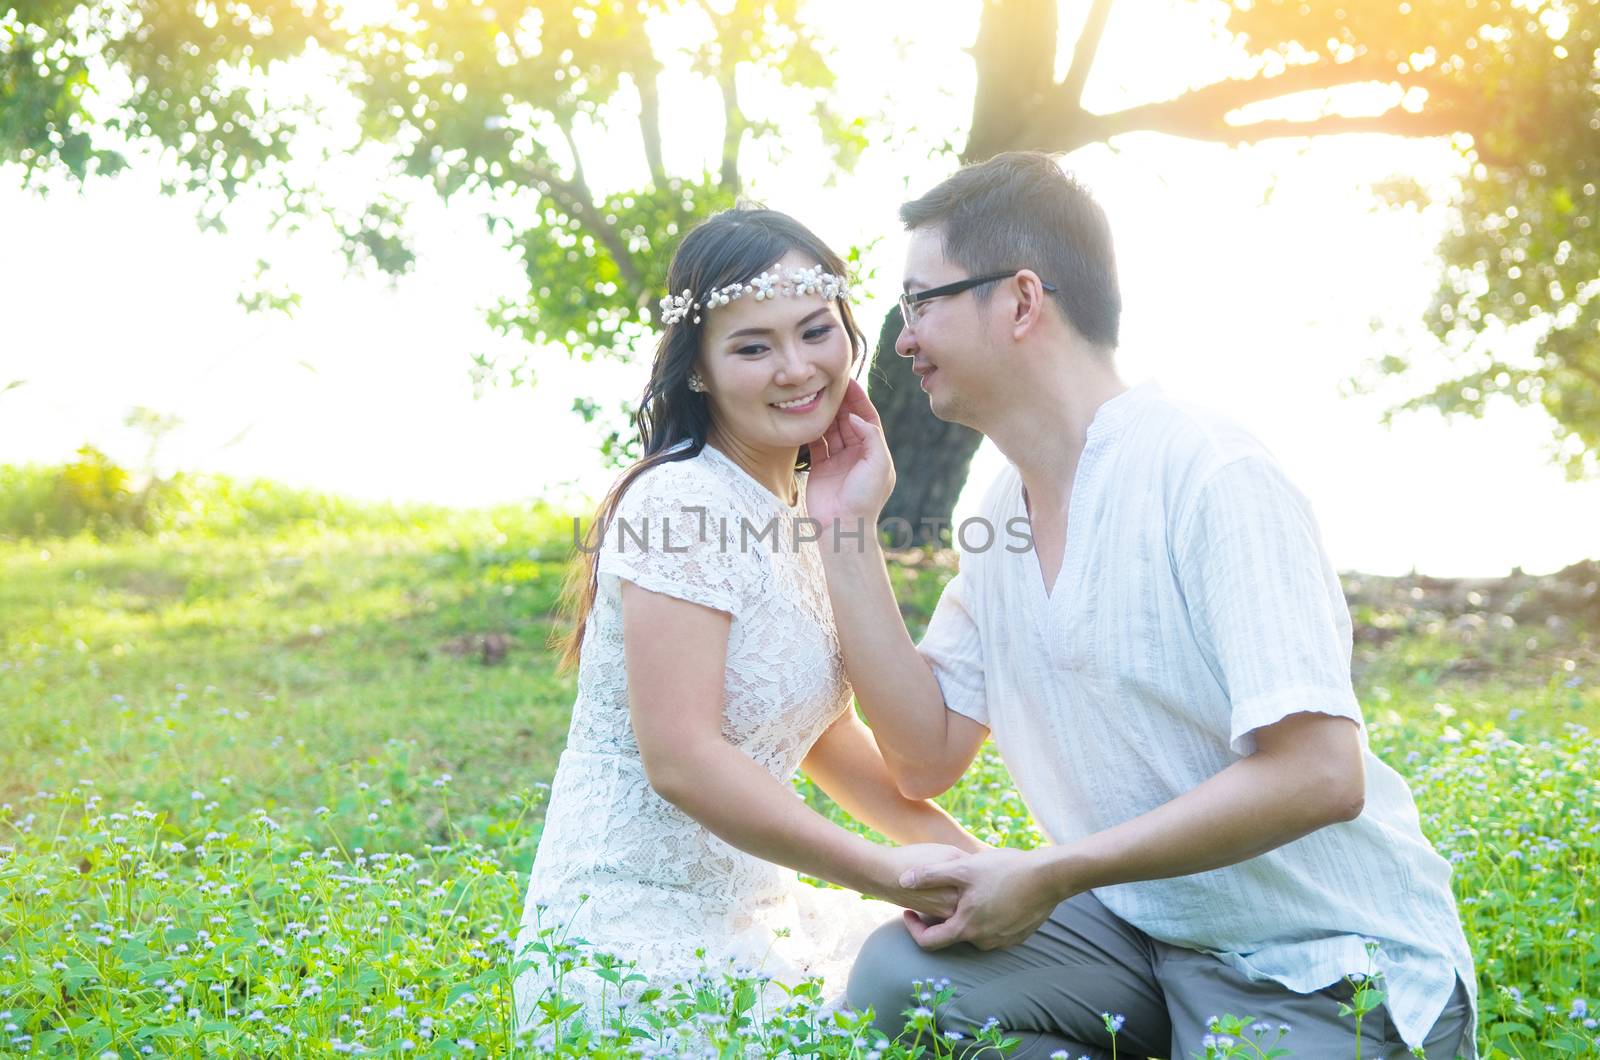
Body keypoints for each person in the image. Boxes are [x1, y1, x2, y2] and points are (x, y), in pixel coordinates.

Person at [801, 152, 1477, 1059]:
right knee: (900, 983)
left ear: (1022, 300)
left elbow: (1322, 773)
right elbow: (923, 757)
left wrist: (1055, 872)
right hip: (1137, 944)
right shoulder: (1001, 507)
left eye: (920, 303)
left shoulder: (1208, 470)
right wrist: (845, 529)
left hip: (1320, 962)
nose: (902, 338)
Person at [512, 205, 984, 1032]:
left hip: (754, 918)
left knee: (995, 986)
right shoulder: (681, 498)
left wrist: (987, 870)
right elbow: (684, 759)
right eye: (753, 346)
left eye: (814, 330)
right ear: (698, 369)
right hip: (634, 945)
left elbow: (826, 738)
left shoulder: (799, 505)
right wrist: (884, 874)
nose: (797, 368)